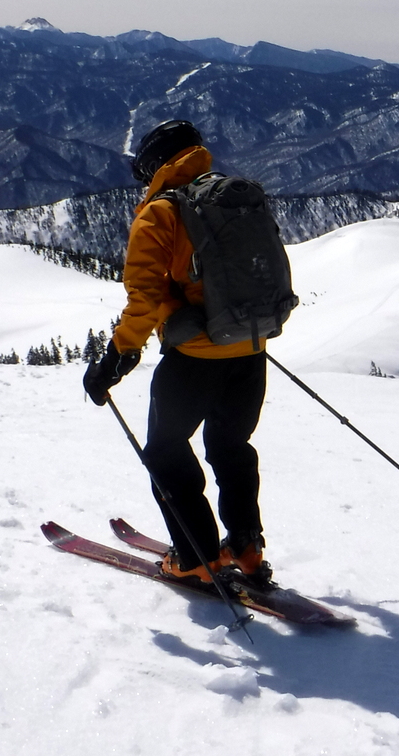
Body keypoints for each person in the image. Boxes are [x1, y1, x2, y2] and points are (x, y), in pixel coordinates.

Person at [82, 120, 270, 585]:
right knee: (231, 448)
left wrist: (115, 361)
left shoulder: (160, 212)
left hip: (195, 359)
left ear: (155, 165)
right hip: (250, 350)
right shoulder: (232, 197)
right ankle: (246, 548)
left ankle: (197, 560)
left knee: (165, 453)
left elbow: (142, 298)